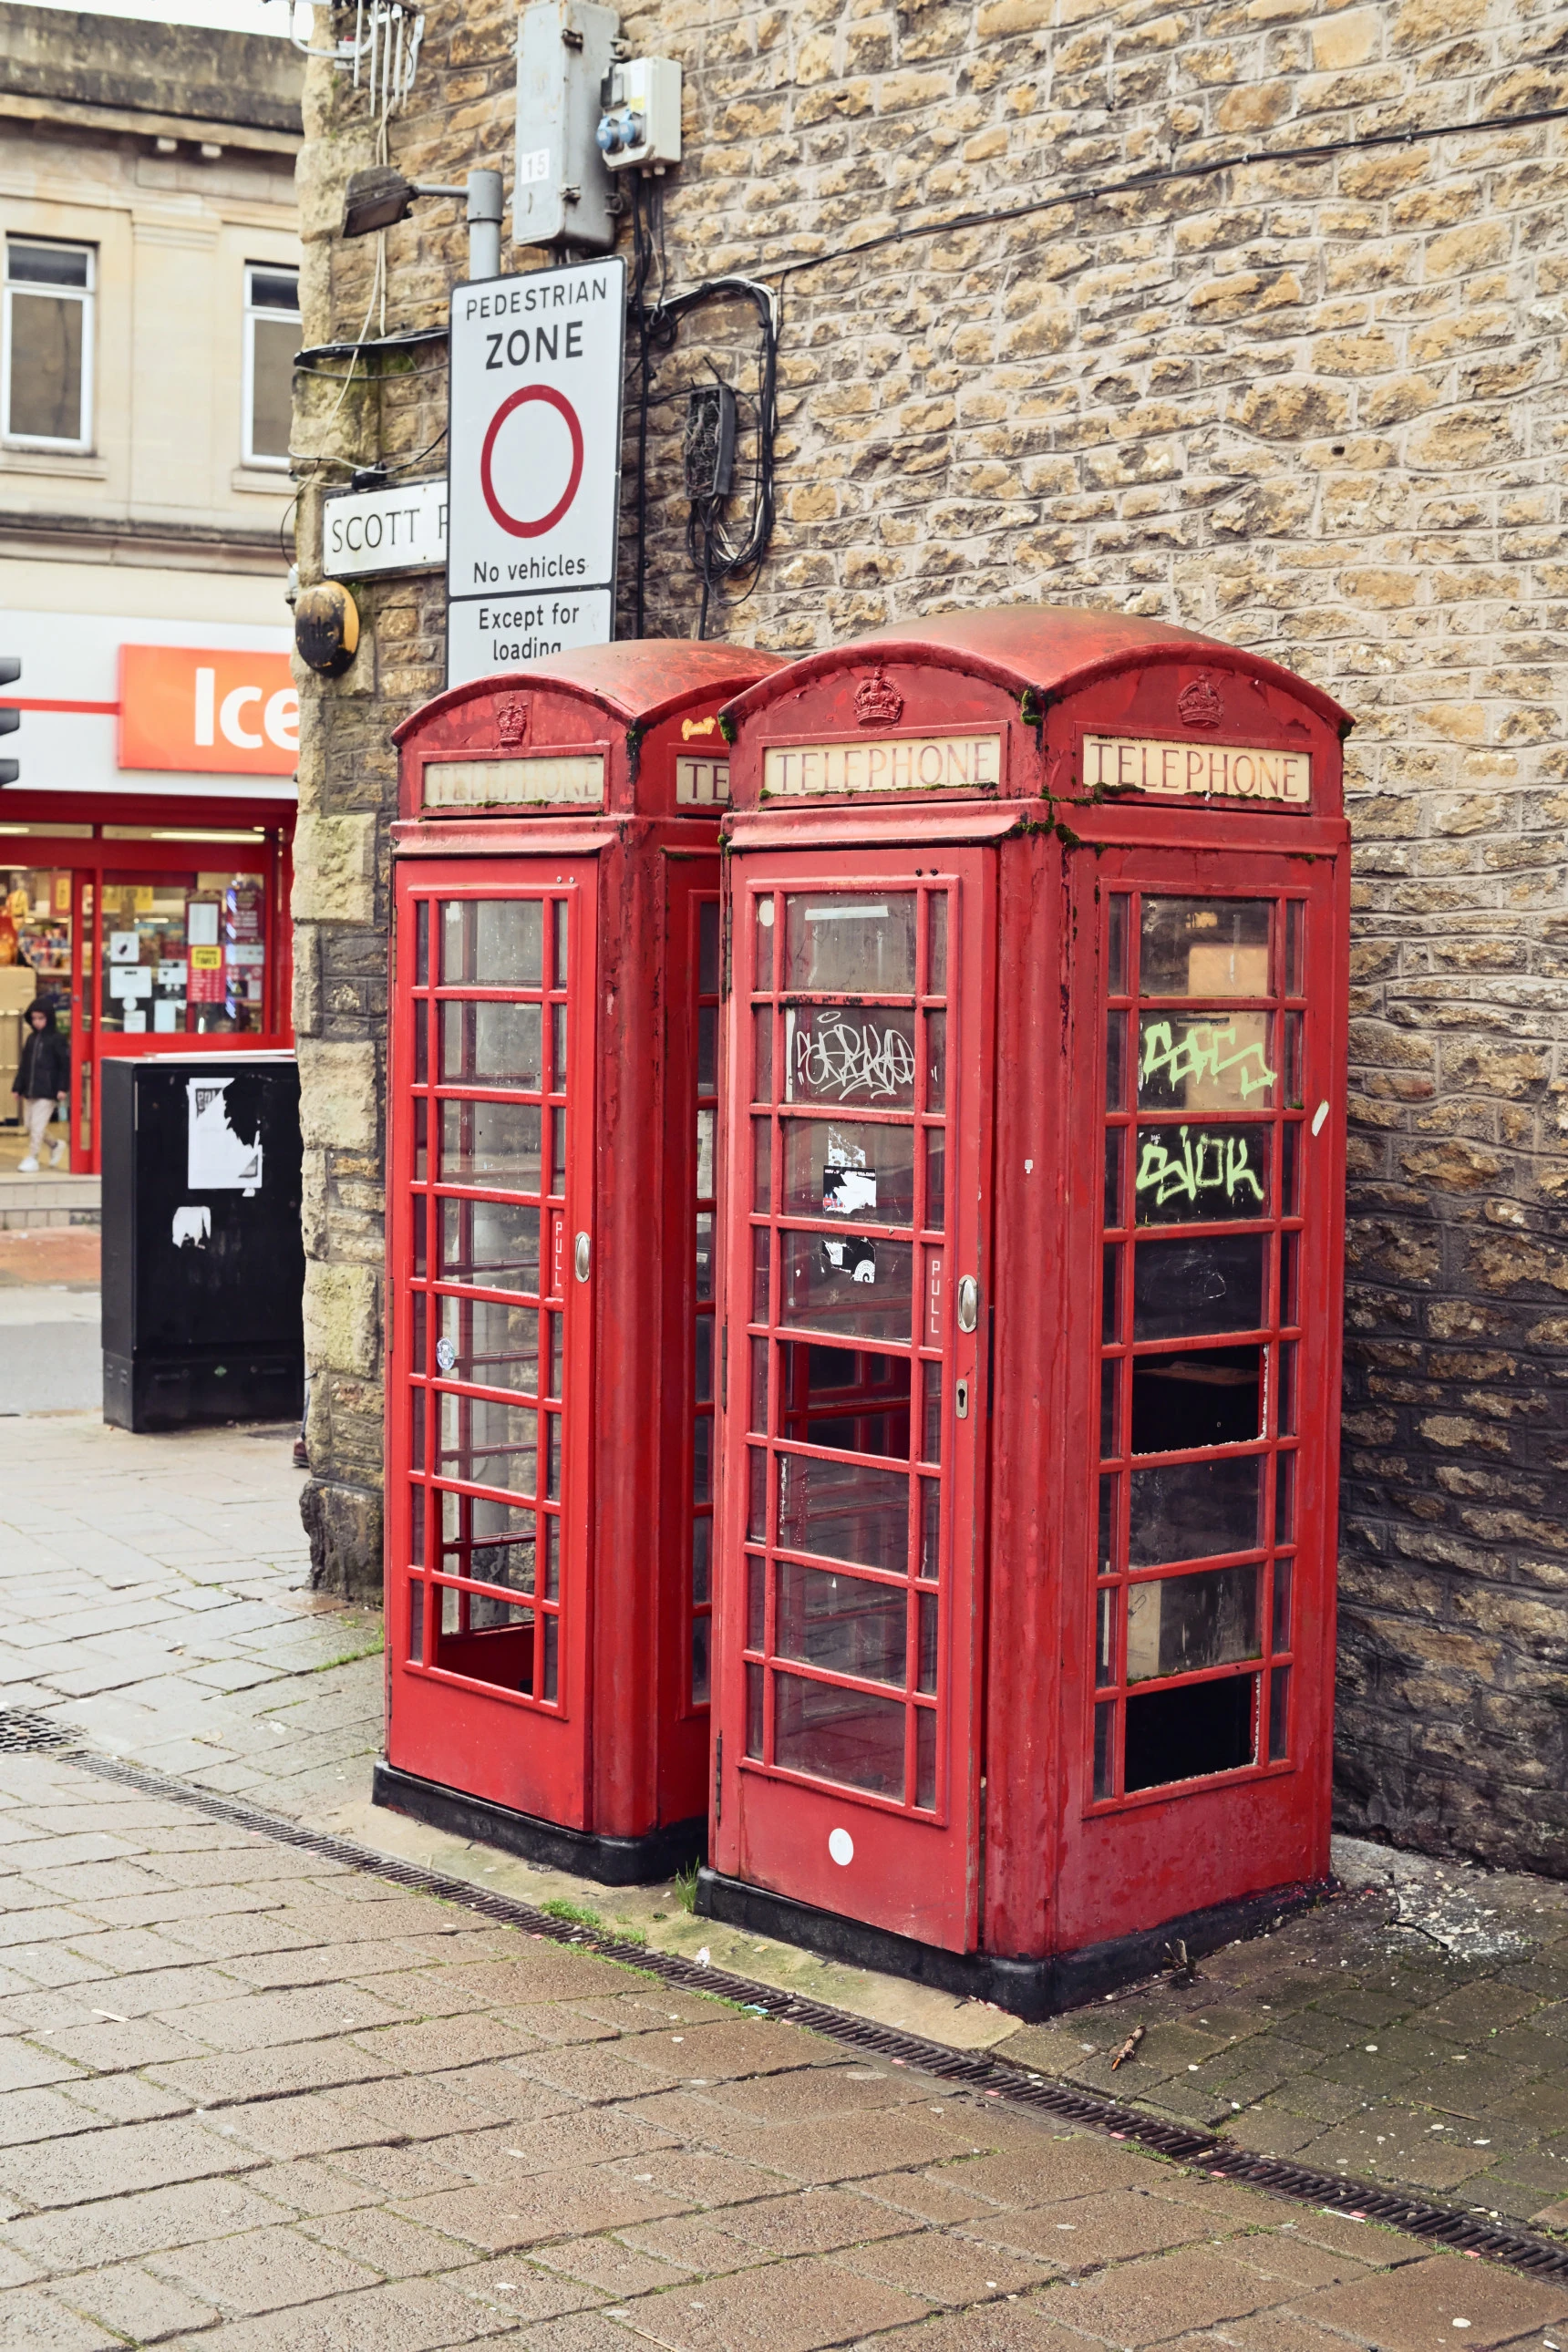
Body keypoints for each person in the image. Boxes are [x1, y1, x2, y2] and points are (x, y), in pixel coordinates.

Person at [13, 998, 68, 1171]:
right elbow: (24, 1065)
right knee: (30, 1125)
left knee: (37, 1127)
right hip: (31, 1090)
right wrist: (17, 1087)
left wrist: (62, 1087)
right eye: (34, 1018)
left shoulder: (57, 1039)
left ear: (49, 1018)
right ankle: (55, 1145)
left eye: (41, 1018)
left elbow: (64, 1065)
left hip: (48, 1090)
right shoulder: (31, 1039)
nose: (37, 1022)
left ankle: (33, 1157)